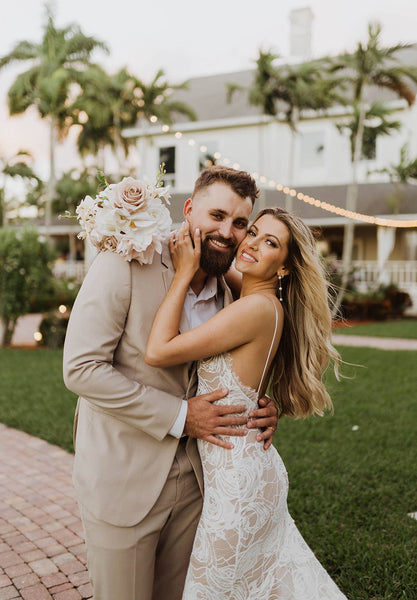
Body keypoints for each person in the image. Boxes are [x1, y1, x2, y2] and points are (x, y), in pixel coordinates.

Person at [62, 166, 278, 600]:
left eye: (240, 224)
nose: (227, 232)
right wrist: (181, 416)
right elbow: (81, 368)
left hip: (199, 486)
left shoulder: (232, 294)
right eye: (216, 215)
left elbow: (231, 368)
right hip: (123, 480)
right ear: (188, 209)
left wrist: (262, 405)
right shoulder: (125, 261)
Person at [145, 206, 348, 599]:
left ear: (285, 267)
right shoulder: (259, 298)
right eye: (252, 232)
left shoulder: (255, 308)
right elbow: (227, 267)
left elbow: (157, 350)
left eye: (269, 242)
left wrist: (184, 272)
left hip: (238, 486)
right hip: (248, 470)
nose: (251, 243)